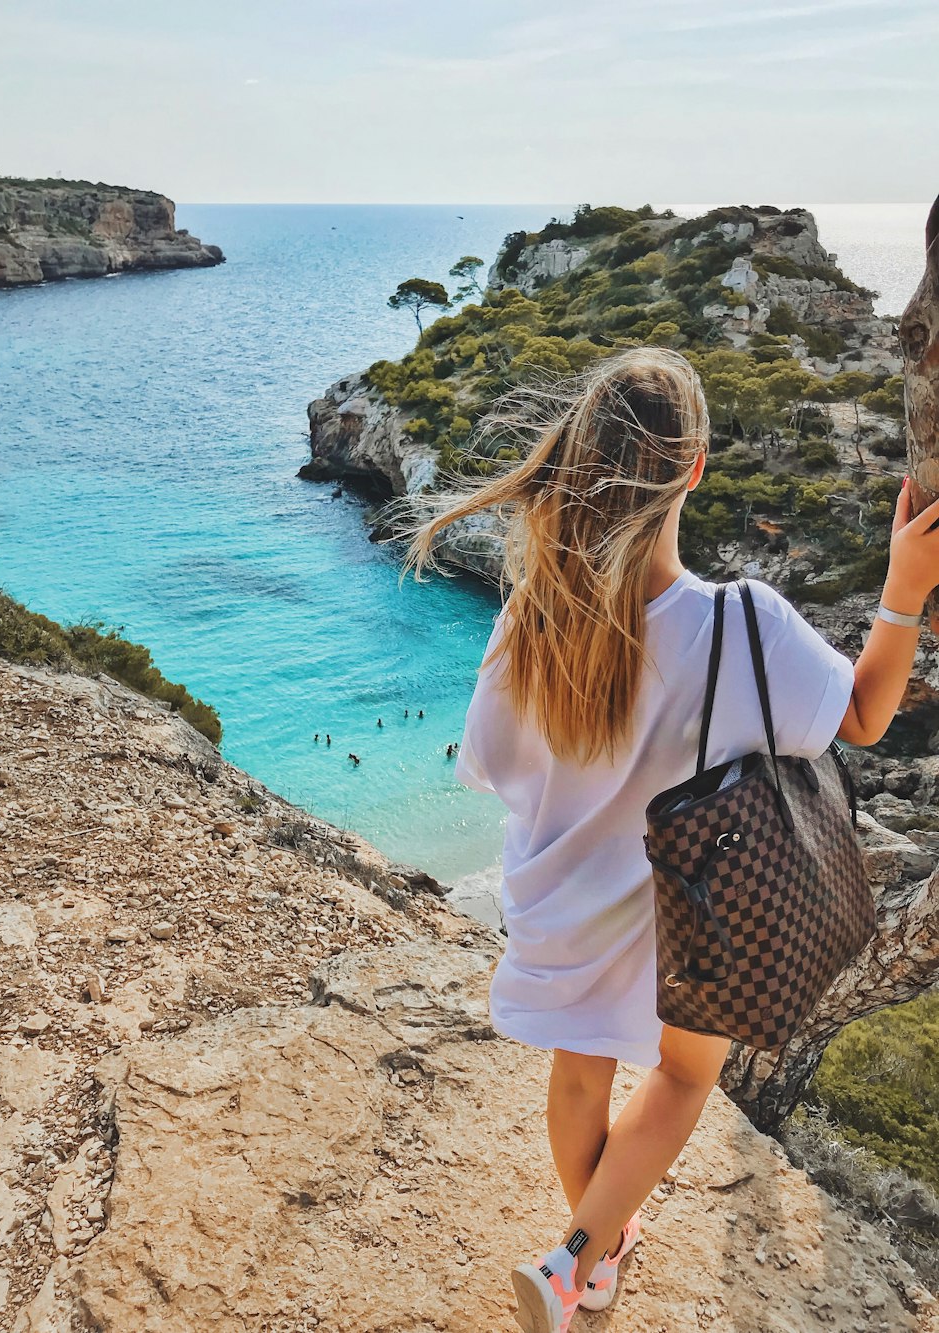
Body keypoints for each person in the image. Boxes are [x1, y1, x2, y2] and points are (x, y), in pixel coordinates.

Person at [402, 346, 939, 1333]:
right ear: (695, 469)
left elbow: (487, 761)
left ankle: (596, 1249)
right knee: (684, 1076)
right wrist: (904, 587)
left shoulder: (531, 617)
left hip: (560, 900)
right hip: (695, 914)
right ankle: (571, 1260)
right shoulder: (744, 624)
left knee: (579, 1072)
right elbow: (861, 717)